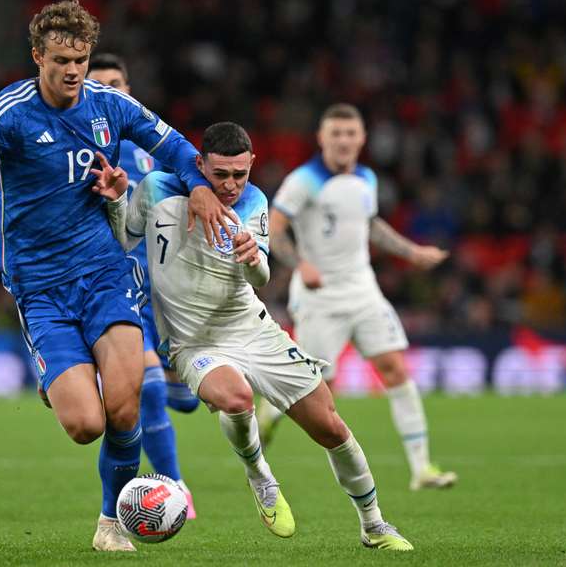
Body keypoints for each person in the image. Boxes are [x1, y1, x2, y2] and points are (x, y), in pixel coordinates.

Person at [0, 0, 232, 552]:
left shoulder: (110, 105)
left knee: (126, 407)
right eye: (61, 60)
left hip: (104, 268)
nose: (73, 70)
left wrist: (197, 183)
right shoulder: (10, 111)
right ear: (38, 57)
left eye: (80, 58)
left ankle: (111, 523)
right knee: (86, 425)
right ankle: (58, 374)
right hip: (39, 284)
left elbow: (172, 145)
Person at [93, 121, 414, 551]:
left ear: (251, 166)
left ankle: (374, 525)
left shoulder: (254, 202)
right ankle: (259, 473)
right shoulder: (155, 188)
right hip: (193, 342)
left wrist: (250, 257)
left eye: (239, 175)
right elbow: (125, 238)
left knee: (331, 427)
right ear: (199, 164)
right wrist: (117, 202)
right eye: (220, 174)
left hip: (252, 329)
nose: (230, 186)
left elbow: (260, 276)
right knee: (237, 398)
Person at [256, 103, 458, 492]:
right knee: (314, 386)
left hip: (363, 289)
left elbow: (369, 224)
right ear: (322, 138)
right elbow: (275, 229)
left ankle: (422, 469)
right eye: (336, 134)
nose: (344, 141)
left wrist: (411, 252)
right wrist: (301, 264)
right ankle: (269, 413)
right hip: (320, 298)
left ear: (362, 138)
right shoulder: (304, 180)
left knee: (395, 369)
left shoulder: (366, 177)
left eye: (351, 134)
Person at [86, 53, 198, 519]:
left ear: (129, 90)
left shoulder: (151, 150)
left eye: (117, 84)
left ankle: (173, 404)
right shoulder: (82, 154)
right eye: (100, 86)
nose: (109, 92)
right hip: (114, 286)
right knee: (146, 391)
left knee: (188, 399)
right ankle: (175, 488)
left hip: (165, 288)